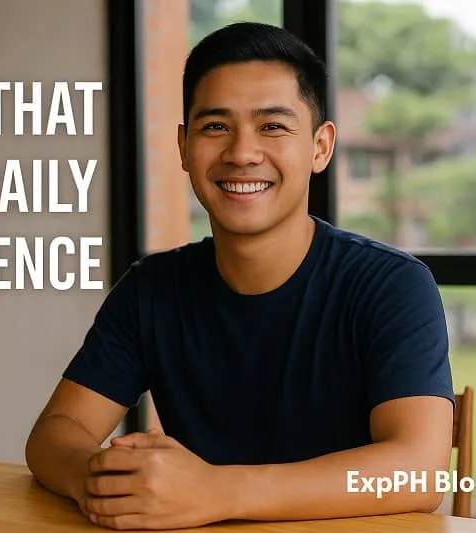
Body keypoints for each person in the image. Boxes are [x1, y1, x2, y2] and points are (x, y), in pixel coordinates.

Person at [25, 21, 454, 530]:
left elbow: (417, 474)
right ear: (184, 147)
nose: (241, 152)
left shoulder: (391, 285)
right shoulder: (153, 289)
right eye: (215, 126)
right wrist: (99, 481)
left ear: (320, 147)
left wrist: (219, 491)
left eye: (272, 126)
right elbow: (55, 433)